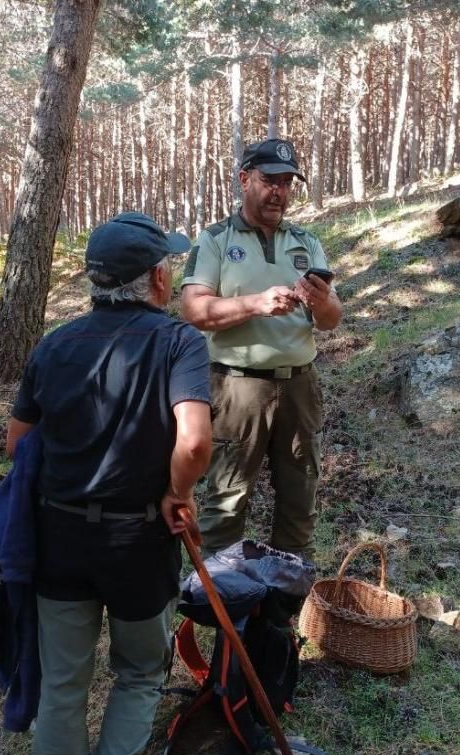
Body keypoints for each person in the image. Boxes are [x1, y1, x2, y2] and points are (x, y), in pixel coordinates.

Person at [7, 212, 213, 755]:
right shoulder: (178, 341)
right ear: (154, 279)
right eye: (167, 265)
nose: (170, 274)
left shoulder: (54, 345)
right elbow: (195, 440)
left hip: (58, 536)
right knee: (142, 668)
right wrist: (178, 491)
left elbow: (19, 445)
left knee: (64, 678)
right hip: (137, 539)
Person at [180, 138, 342, 559]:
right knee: (227, 504)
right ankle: (227, 615)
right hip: (237, 389)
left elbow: (331, 320)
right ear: (244, 179)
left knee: (300, 502)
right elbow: (194, 310)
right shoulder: (217, 239)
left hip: (300, 387)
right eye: (270, 181)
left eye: (288, 183)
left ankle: (279, 618)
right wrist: (255, 304)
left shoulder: (305, 242)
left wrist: (320, 300)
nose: (280, 192)